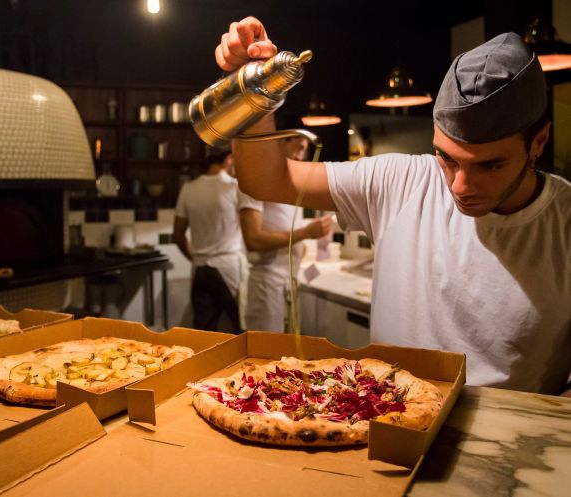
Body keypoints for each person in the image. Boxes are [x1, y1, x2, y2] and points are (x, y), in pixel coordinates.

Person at [214, 17, 571, 395]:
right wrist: (249, 86)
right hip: (389, 426)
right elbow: (265, 180)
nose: (460, 186)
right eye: (447, 158)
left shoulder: (563, 223)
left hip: (508, 446)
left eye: (489, 165)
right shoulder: (399, 182)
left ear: (539, 142)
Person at [239, 134, 332, 332]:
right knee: (266, 354)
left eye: (305, 150)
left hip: (288, 282)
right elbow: (253, 239)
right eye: (298, 147)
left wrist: (301, 245)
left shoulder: (289, 184)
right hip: (267, 283)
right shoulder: (255, 180)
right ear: (280, 142)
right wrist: (305, 233)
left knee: (285, 357)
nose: (301, 155)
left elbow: (282, 226)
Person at [173, 147, 246, 333]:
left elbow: (178, 236)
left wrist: (196, 257)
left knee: (203, 332)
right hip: (228, 268)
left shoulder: (189, 189)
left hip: (199, 268)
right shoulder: (235, 187)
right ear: (229, 159)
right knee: (240, 330)